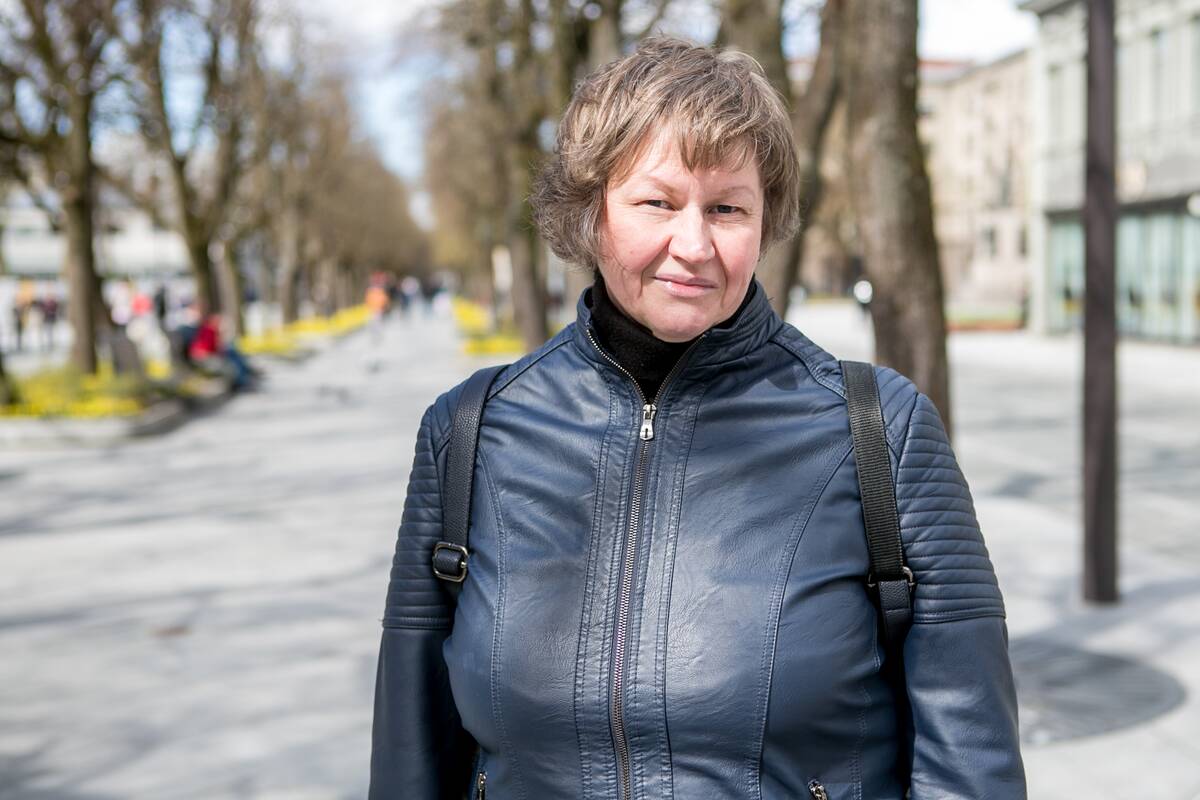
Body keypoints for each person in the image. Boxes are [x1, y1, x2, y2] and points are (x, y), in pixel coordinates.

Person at [370, 38, 1025, 799]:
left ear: (764, 221)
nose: (693, 245)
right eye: (657, 202)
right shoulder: (470, 433)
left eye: (727, 209)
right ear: (590, 211)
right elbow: (411, 759)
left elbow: (970, 762)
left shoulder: (879, 431)